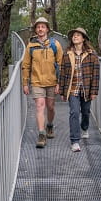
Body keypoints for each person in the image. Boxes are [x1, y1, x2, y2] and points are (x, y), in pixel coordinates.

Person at [21, 16, 62, 148]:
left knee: (50, 107)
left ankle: (49, 125)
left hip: (52, 81)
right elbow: (26, 65)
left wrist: (59, 83)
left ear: (47, 29)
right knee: (40, 106)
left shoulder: (55, 44)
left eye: (43, 26)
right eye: (38, 27)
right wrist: (25, 83)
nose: (40, 29)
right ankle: (41, 134)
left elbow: (61, 64)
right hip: (37, 81)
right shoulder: (31, 46)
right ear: (35, 30)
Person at [58, 27, 99, 153]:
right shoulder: (67, 54)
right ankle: (75, 141)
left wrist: (94, 91)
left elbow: (96, 74)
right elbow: (63, 73)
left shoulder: (92, 54)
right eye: (73, 35)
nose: (75, 37)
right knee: (74, 113)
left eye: (77, 35)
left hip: (86, 89)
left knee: (85, 112)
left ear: (83, 39)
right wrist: (63, 92)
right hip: (73, 90)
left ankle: (85, 127)